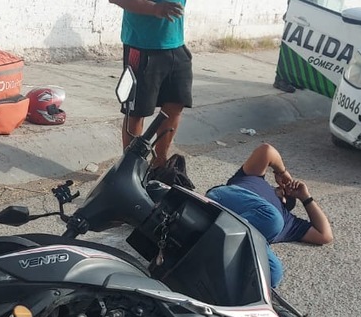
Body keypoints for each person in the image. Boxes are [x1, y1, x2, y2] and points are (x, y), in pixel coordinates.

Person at [205, 142, 334, 287]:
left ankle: (214, 241)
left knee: (274, 274)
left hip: (244, 233)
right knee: (273, 219)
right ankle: (216, 238)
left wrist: (306, 198)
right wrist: (282, 173)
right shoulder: (254, 178)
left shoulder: (290, 222)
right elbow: (266, 150)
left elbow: (325, 235)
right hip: (225, 199)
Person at [110, 0, 191, 169]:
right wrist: (154, 8)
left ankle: (159, 164)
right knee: (136, 111)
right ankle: (129, 167)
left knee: (175, 105)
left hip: (176, 45)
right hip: (141, 46)